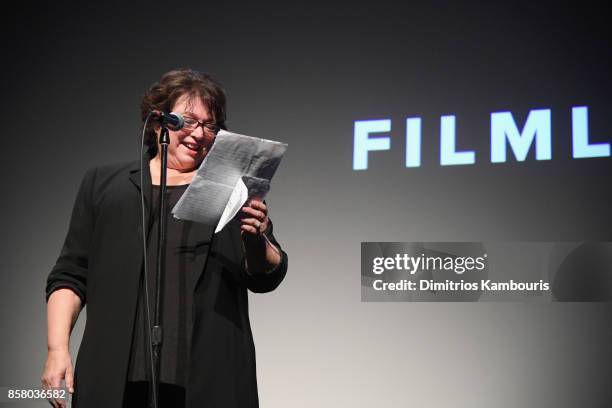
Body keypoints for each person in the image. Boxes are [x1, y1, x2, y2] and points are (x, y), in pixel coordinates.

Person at [41, 69, 288, 408]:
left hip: (210, 382)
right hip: (117, 380)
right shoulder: (104, 185)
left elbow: (266, 274)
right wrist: (57, 349)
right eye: (187, 120)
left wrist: (256, 240)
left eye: (210, 125)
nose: (199, 133)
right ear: (158, 121)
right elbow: (70, 275)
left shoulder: (236, 189)